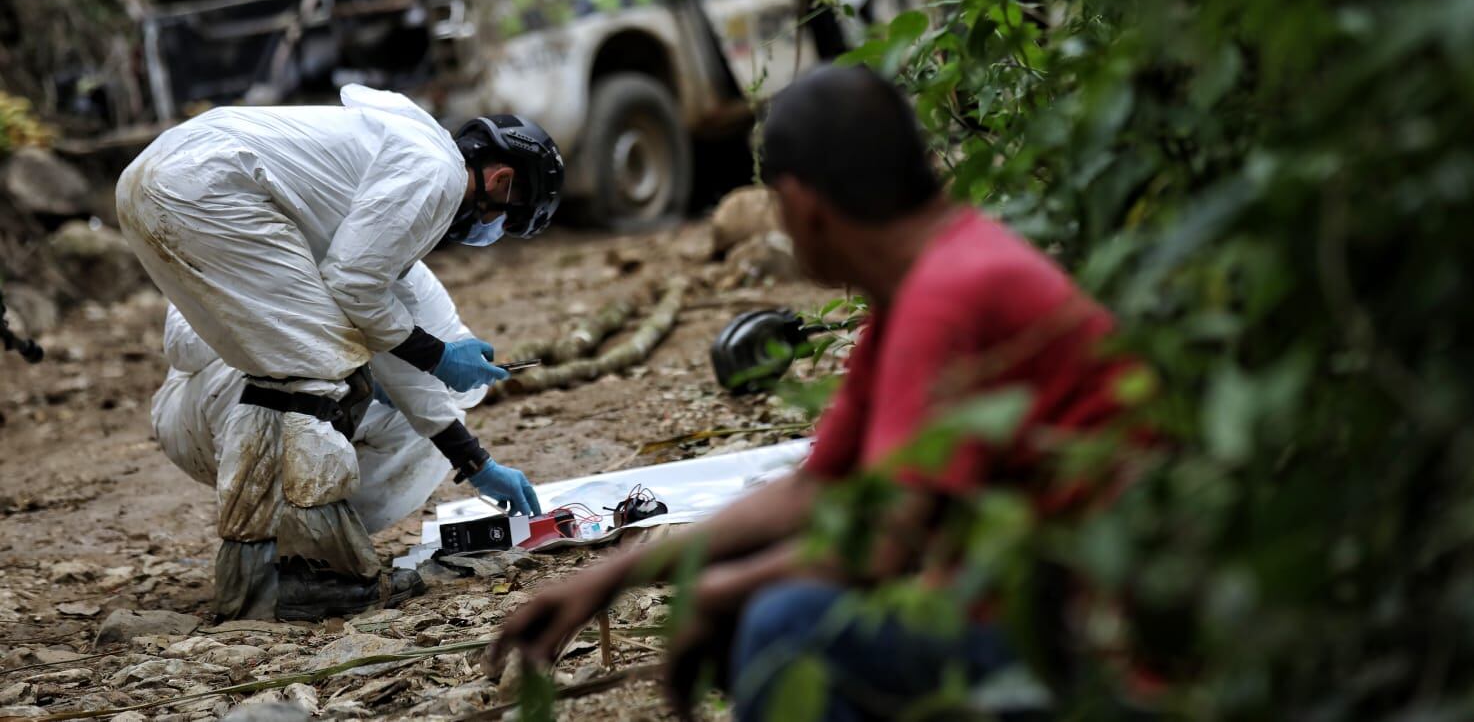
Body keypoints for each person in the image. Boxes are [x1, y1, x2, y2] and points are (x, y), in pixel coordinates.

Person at [489, 67, 1130, 720]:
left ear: (803, 206)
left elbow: (881, 544)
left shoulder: (947, 295)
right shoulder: (924, 283)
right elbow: (813, 490)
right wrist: (610, 575)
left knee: (783, 623)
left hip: (1105, 652)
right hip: (1046, 616)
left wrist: (714, 593)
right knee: (766, 606)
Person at [116, 85, 563, 620]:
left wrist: (477, 462)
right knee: (320, 367)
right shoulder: (438, 174)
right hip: (205, 186)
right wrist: (439, 355)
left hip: (164, 176)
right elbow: (355, 289)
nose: (493, 233)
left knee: (301, 365)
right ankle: (318, 573)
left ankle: (256, 574)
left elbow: (373, 308)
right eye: (508, 220)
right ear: (500, 180)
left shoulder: (381, 187)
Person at [150, 261, 523, 619]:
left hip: (319, 404)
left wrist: (474, 458)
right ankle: (261, 570)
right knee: (296, 364)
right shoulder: (256, 235)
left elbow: (455, 384)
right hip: (207, 408)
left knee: (436, 405)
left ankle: (316, 553)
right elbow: (184, 348)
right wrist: (307, 317)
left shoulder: (403, 265)